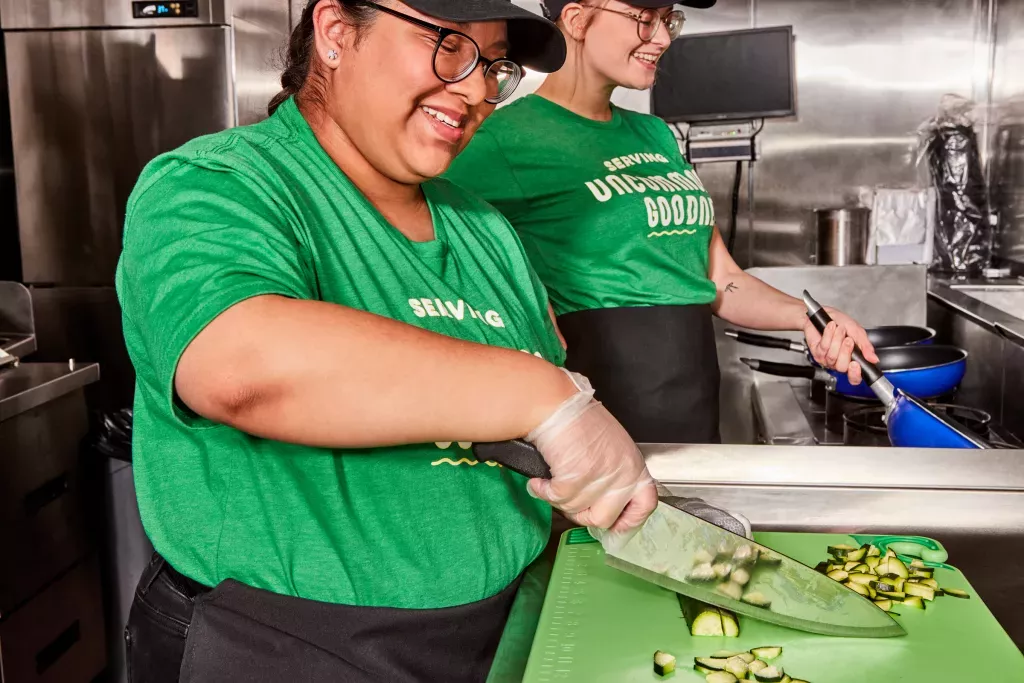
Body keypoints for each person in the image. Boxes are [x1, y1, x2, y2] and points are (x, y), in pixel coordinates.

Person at [115, 1, 657, 681]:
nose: (479, 88)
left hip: (496, 637)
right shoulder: (219, 183)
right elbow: (240, 363)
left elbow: (523, 445)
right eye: (450, 46)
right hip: (287, 649)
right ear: (337, 33)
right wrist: (544, 395)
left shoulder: (484, 229)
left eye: (495, 66)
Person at [445, 0, 879, 444]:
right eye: (645, 19)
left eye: (668, 20)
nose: (664, 38)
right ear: (576, 20)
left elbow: (719, 279)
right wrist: (529, 312)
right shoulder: (501, 139)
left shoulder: (655, 134)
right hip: (601, 401)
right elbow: (434, 260)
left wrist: (809, 318)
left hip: (692, 394)